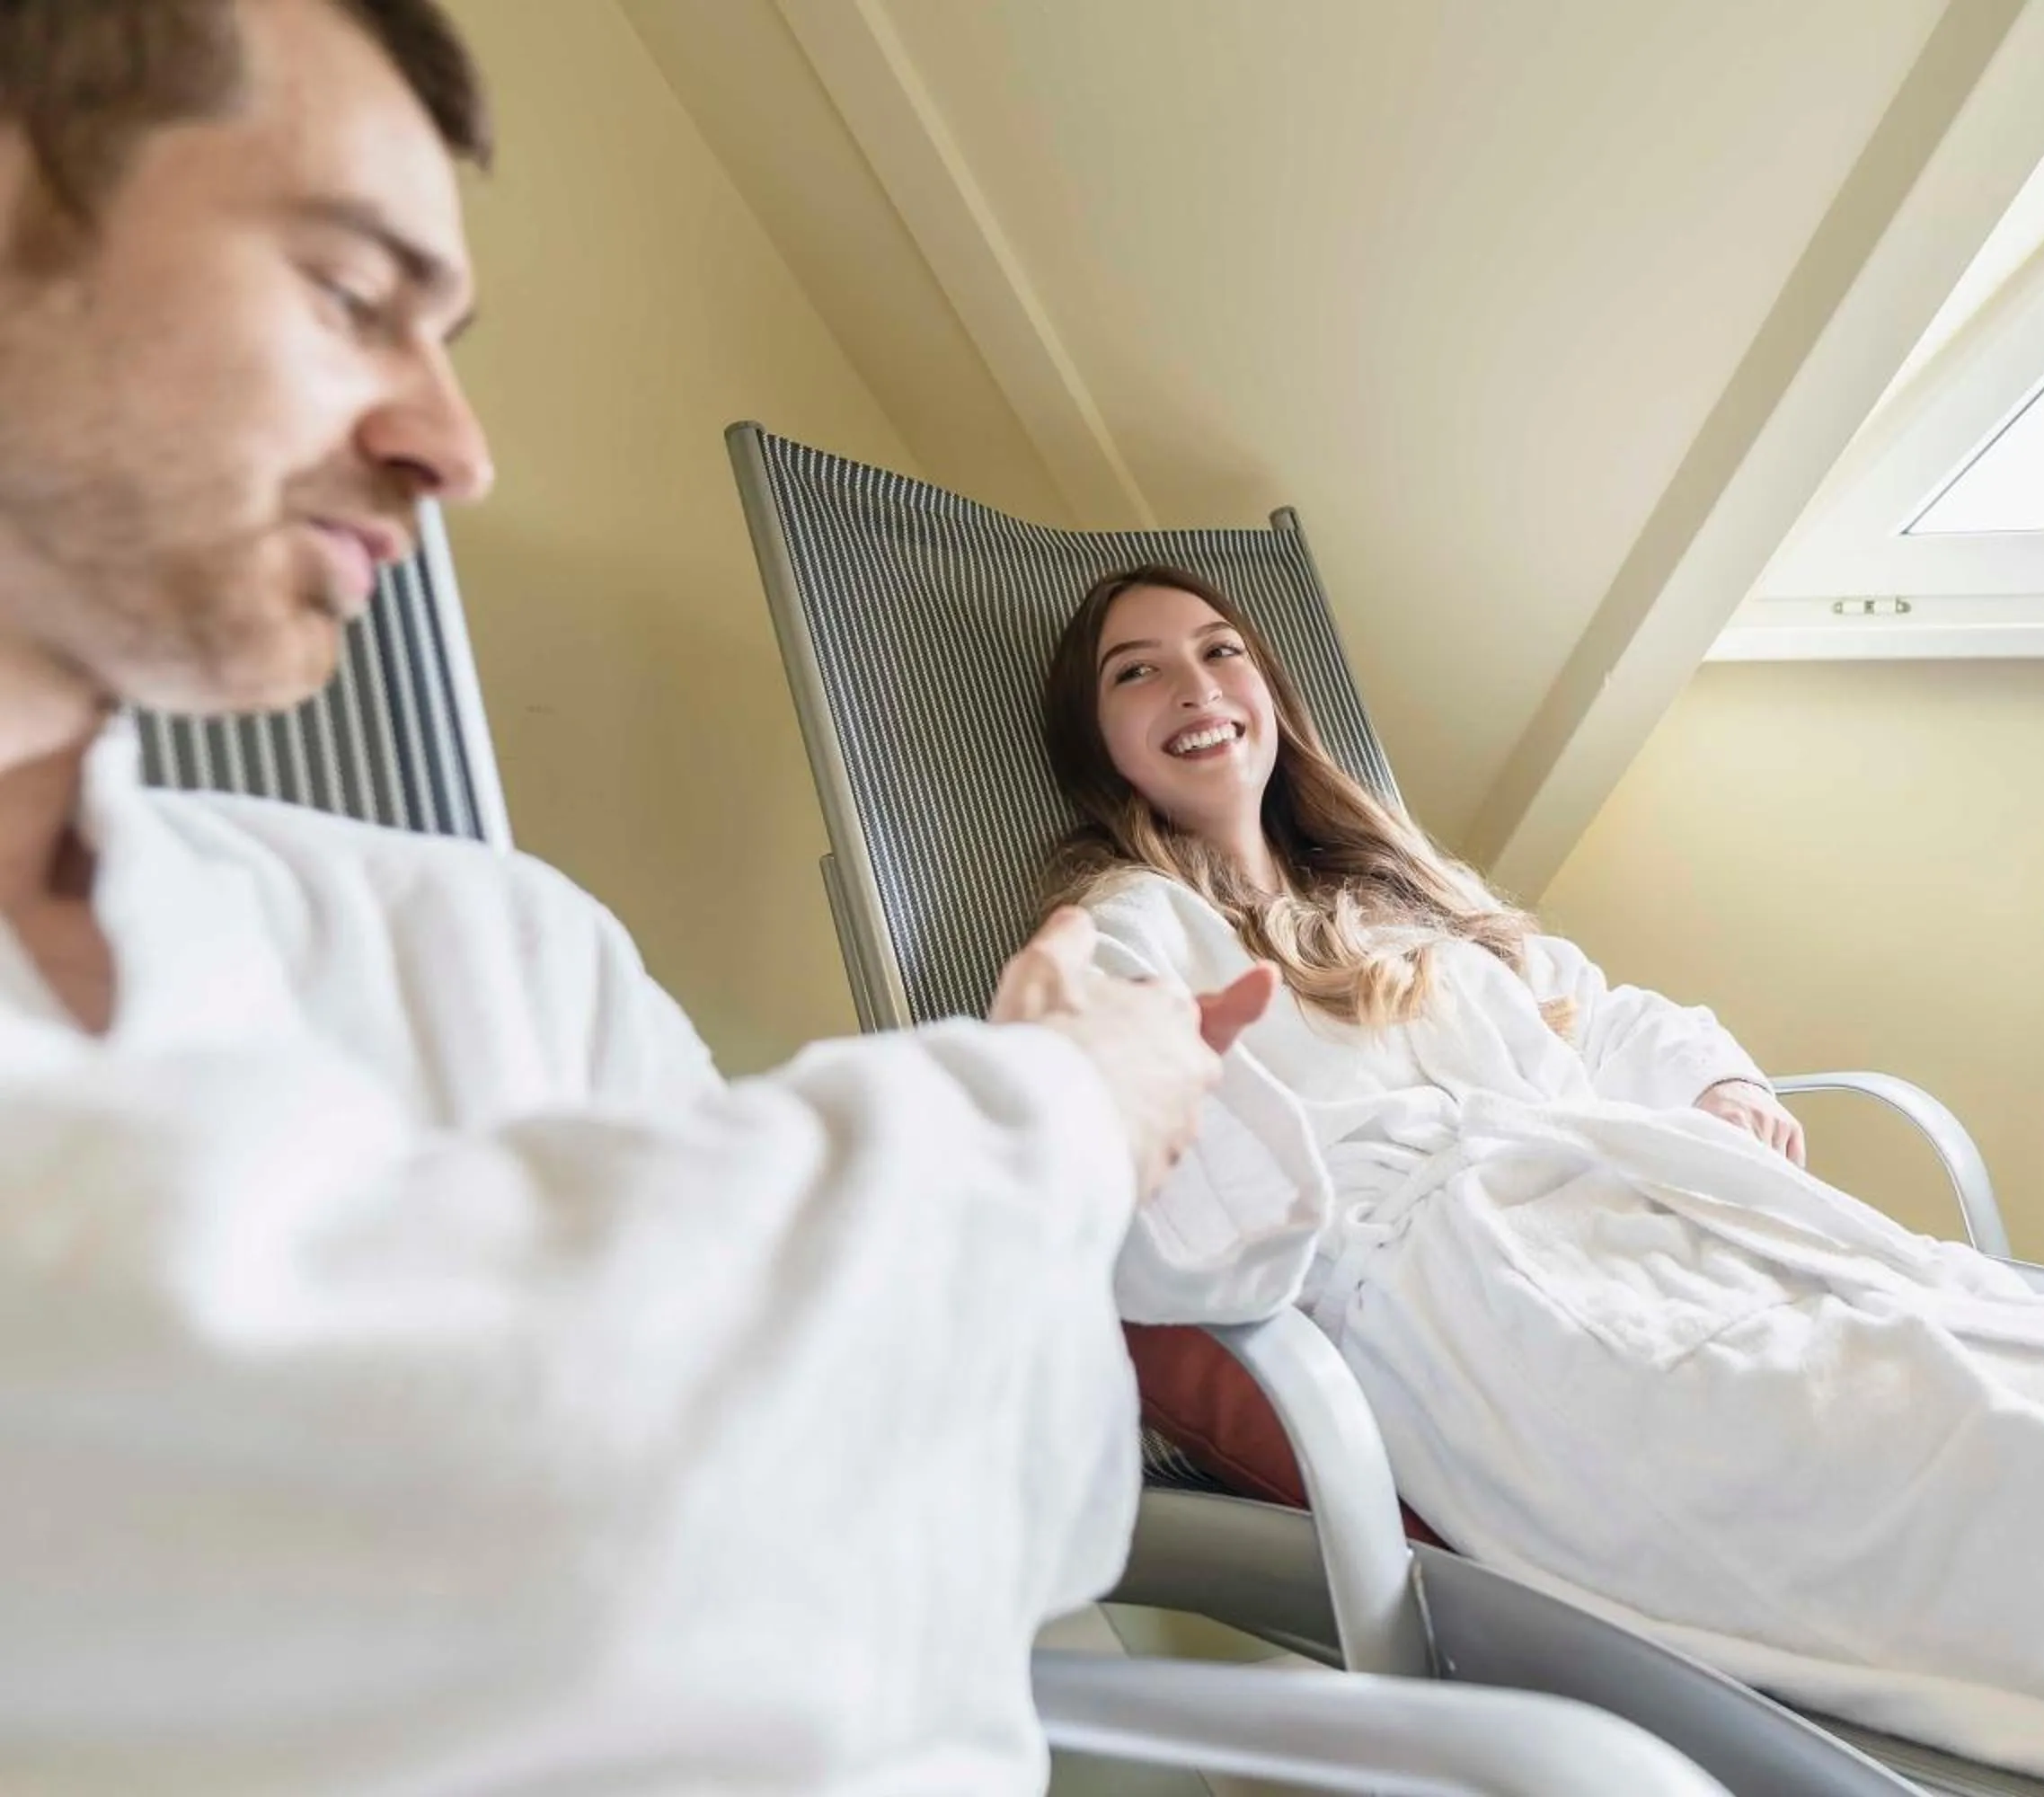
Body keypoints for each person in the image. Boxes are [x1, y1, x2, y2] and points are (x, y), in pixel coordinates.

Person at [0, 4, 1272, 1791]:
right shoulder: (1101, 935)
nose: (457, 444)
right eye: (354, 295)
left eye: (451, 338)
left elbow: (985, 1511)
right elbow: (468, 1494)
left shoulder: (490, 941)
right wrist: (1058, 1103)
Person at [1039, 562, 2044, 1797]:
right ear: (1101, 742)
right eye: (1139, 671)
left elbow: (1604, 1013)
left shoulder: (1398, 892)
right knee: (2041, 1451)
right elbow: (1114, 1145)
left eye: (1222, 649)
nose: (1197, 683)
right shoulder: (1129, 927)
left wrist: (1721, 1081)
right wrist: (1060, 958)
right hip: (1504, 1329)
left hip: (1655, 1226)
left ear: (1274, 697)